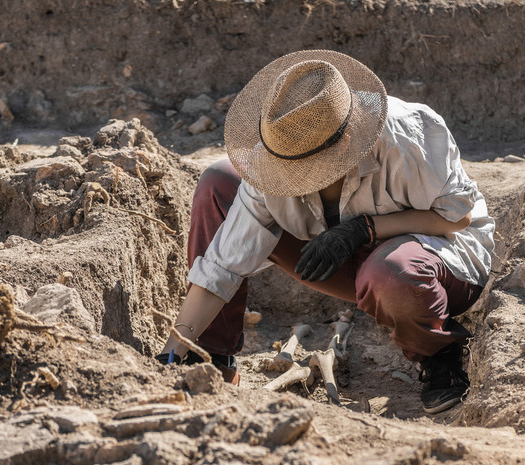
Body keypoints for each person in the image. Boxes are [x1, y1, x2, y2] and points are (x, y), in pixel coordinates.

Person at [156, 50, 495, 414]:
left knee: (390, 271)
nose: (289, 180)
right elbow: (222, 264)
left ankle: (438, 351)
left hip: (438, 260)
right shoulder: (277, 153)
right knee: (220, 181)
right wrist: (174, 350)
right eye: (285, 169)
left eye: (305, 170)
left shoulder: (408, 136)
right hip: (343, 262)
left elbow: (456, 218)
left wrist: (364, 229)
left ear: (344, 144)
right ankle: (208, 357)